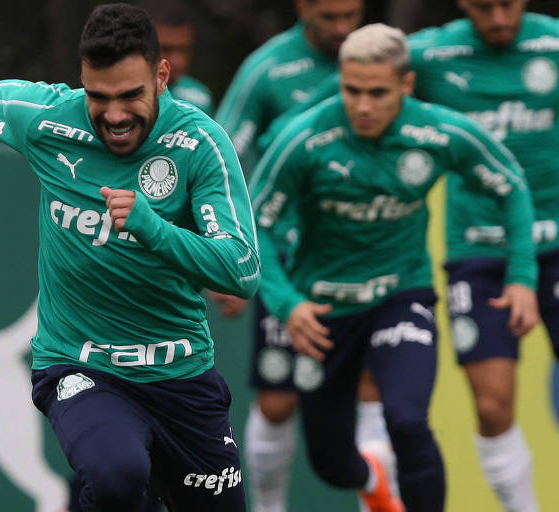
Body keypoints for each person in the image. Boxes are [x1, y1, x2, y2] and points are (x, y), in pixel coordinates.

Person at [0, 4, 259, 511]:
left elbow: (241, 269)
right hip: (80, 364)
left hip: (180, 373)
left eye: (130, 95)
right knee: (117, 475)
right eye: (99, 96)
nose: (114, 115)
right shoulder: (48, 120)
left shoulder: (200, 143)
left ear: (161, 76)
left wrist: (152, 227)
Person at [249, 23, 539, 512]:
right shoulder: (303, 138)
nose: (362, 106)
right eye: (351, 91)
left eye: (377, 93)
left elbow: (511, 186)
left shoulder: (439, 132)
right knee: (332, 463)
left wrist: (522, 278)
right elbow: (256, 226)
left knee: (407, 420)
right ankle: (372, 475)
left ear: (406, 85)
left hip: (401, 295)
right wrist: (287, 303)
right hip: (322, 311)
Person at [216, 3, 392, 511]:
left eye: (351, 14)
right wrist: (226, 253)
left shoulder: (380, 58)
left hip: (366, 251)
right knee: (277, 400)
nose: (342, 28)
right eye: (329, 16)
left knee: (372, 386)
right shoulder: (266, 70)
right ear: (302, 7)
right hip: (290, 260)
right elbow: (218, 157)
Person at [406, 2, 559, 510]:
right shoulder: (431, 54)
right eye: (483, 6)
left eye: (508, 3)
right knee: (493, 406)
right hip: (478, 249)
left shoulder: (555, 44)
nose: (498, 17)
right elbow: (354, 80)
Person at [144, 2, 215, 116]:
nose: (178, 61)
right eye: (166, 49)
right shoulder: (118, 91)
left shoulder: (200, 98)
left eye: (184, 49)